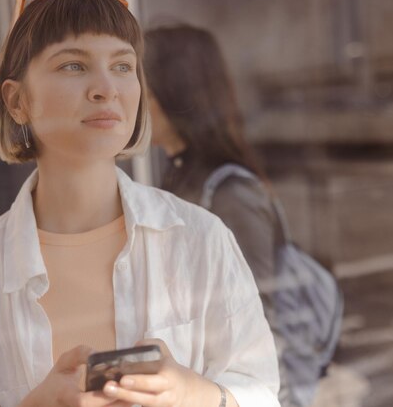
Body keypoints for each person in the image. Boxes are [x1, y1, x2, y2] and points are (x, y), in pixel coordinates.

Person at [0, 0, 280, 407]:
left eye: (123, 66)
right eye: (73, 65)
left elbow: (262, 392)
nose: (106, 88)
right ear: (17, 101)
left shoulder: (200, 238)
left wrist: (191, 393)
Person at [144, 24, 339, 407]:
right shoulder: (176, 174)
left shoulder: (229, 192)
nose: (129, 100)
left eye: (143, 89)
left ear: (175, 95)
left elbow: (263, 328)